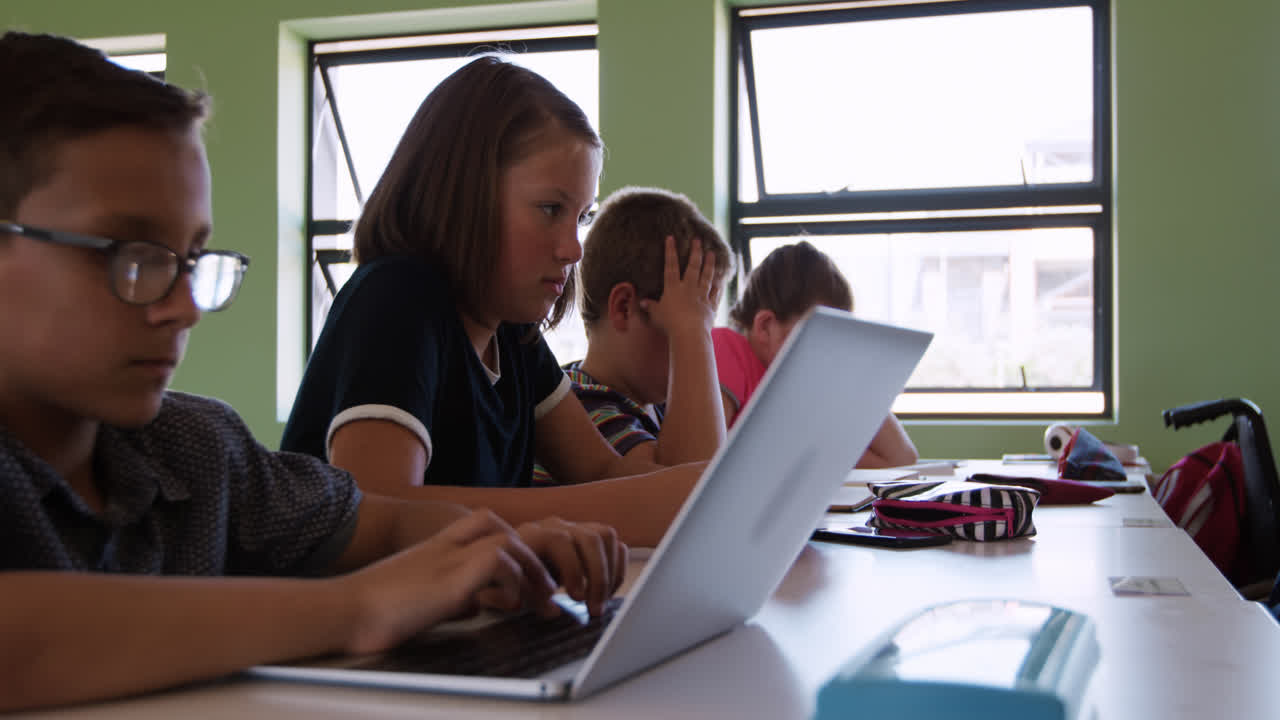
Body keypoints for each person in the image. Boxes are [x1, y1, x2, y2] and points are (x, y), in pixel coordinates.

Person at [0, 32, 626, 712]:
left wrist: (496, 548)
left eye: (192, 258)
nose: (184, 307)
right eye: (130, 252)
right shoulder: (402, 295)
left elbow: (378, 523)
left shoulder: (197, 448)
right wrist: (352, 607)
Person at [280, 57, 703, 547]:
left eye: (581, 217)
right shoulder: (396, 296)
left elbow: (606, 472)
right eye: (550, 210)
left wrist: (680, 493)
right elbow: (378, 509)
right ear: (464, 194)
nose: (573, 248)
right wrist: (623, 510)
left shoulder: (510, 333)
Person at [532, 186, 731, 484]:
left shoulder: (658, 408)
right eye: (692, 322)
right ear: (624, 307)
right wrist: (691, 331)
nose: (701, 344)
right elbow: (696, 496)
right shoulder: (585, 406)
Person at [713, 241, 919, 468]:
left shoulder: (802, 388)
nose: (827, 355)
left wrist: (855, 385)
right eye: (818, 339)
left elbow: (901, 458)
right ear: (765, 326)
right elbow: (707, 459)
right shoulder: (727, 348)